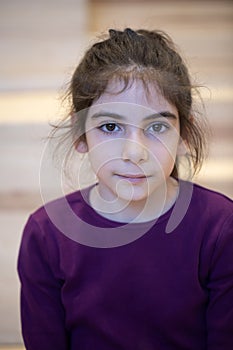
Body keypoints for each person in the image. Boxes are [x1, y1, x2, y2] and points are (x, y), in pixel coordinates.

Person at [17, 28, 233, 350]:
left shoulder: (220, 227)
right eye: (110, 127)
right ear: (81, 136)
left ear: (184, 137)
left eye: (157, 127)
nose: (134, 152)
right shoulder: (46, 235)